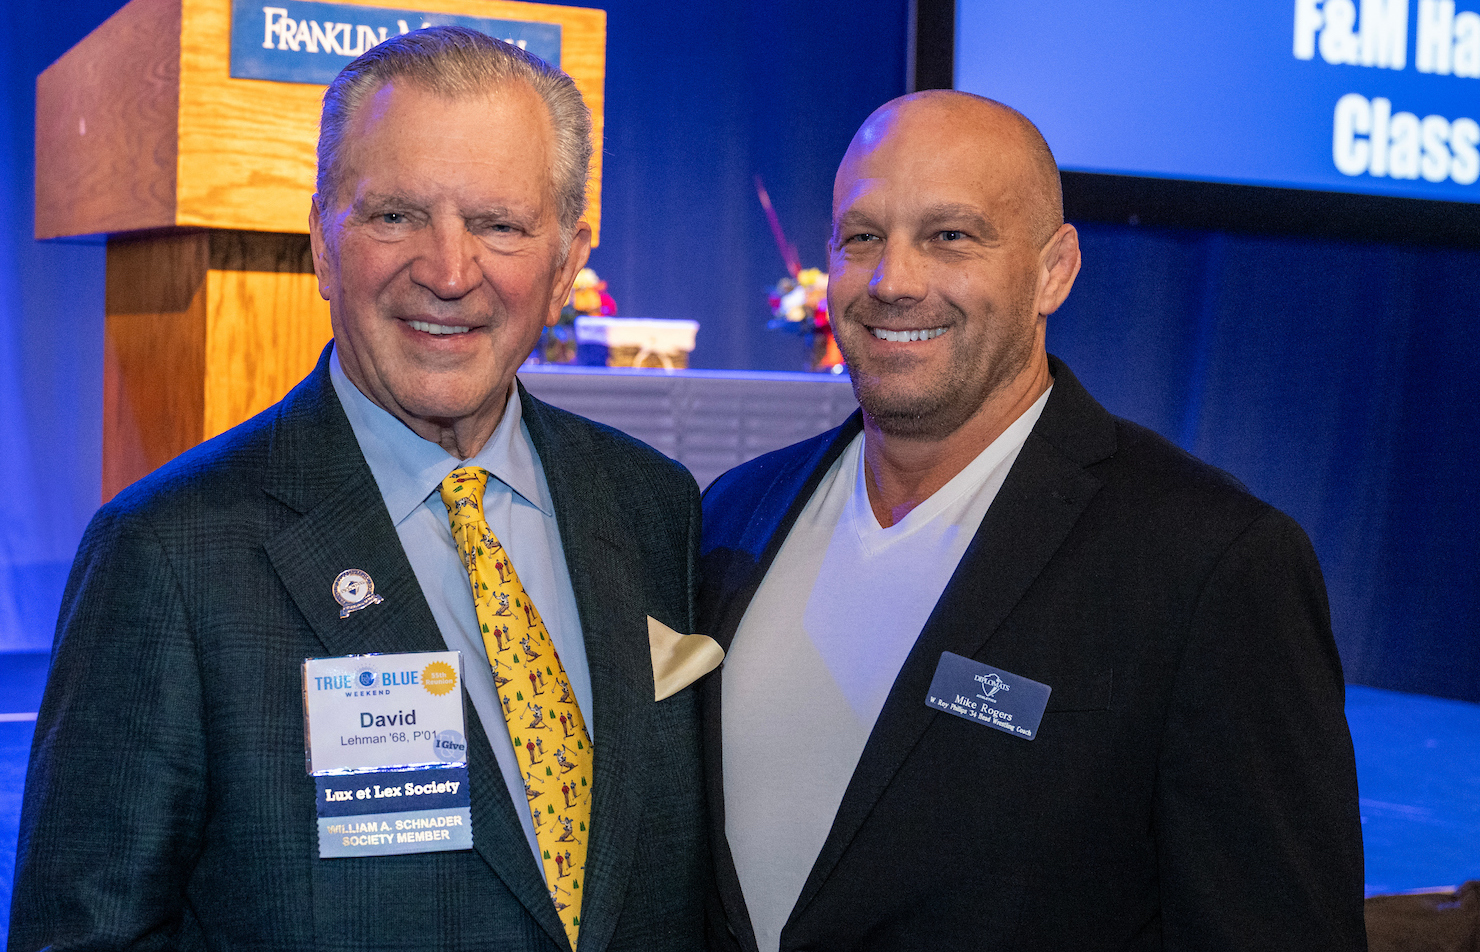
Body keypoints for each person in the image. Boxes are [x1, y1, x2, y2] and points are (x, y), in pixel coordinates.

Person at [11, 29, 706, 952]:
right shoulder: (168, 554)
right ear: (323, 244)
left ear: (566, 264)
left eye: (499, 225)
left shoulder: (653, 506)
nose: (449, 272)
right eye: (395, 216)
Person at [698, 90, 1367, 951]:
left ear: (1054, 270)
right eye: (862, 237)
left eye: (950, 236)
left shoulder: (1213, 564)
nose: (893, 281)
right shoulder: (736, 513)